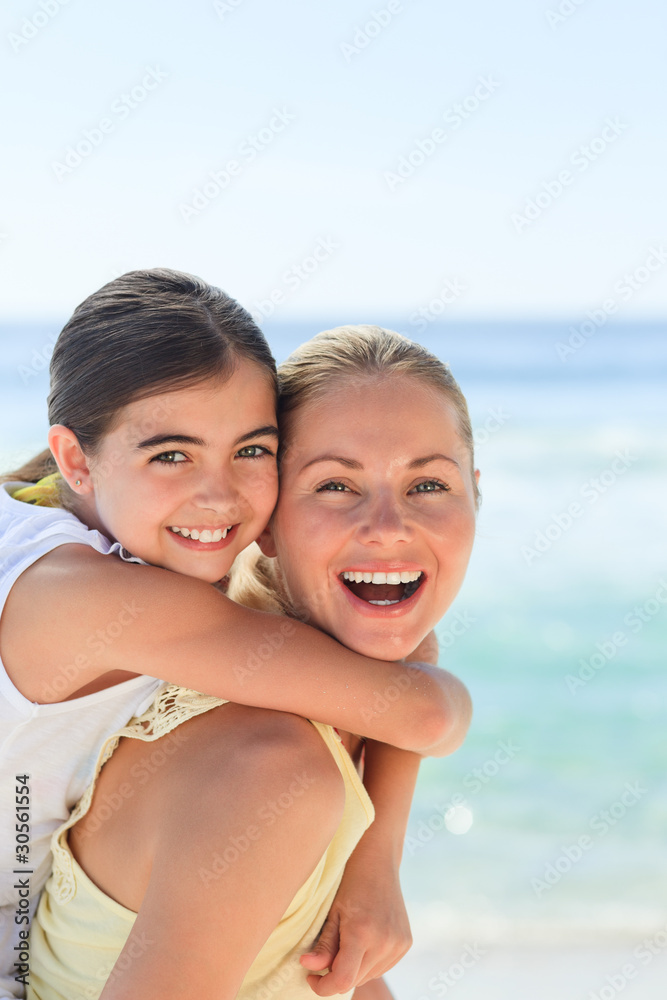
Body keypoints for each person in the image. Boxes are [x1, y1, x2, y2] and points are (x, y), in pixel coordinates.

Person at [0, 272, 470, 1000]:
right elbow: (421, 707)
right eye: (171, 454)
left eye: (250, 450)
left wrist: (370, 868)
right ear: (74, 459)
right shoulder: (84, 595)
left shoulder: (116, 533)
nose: (218, 496)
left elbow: (391, 654)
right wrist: (375, 861)